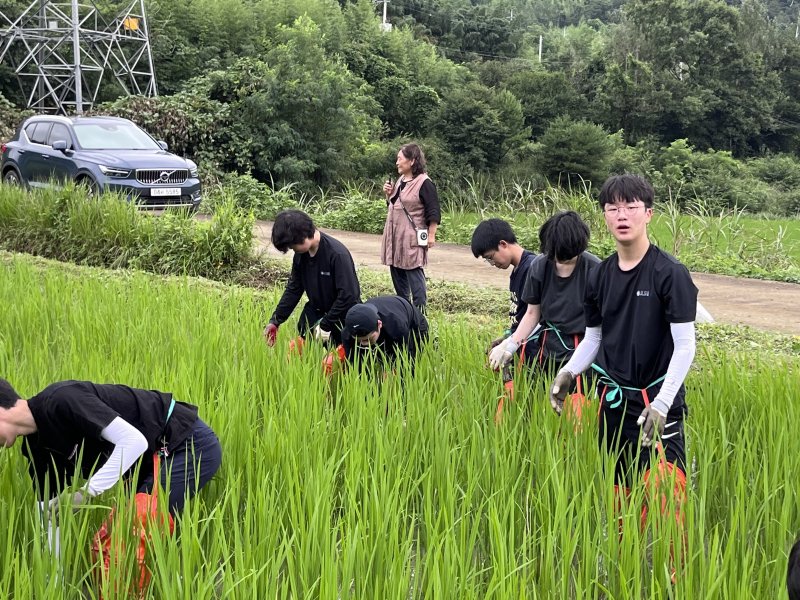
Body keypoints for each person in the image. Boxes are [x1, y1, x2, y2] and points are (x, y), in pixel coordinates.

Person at [550, 174, 697, 576]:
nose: (622, 215)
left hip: (656, 407)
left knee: (668, 495)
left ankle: (674, 576)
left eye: (631, 207)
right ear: (604, 215)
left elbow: (686, 346)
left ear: (648, 213)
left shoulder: (670, 273)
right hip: (614, 405)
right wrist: (568, 371)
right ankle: (623, 569)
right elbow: (595, 337)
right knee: (620, 495)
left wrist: (665, 404)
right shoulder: (600, 275)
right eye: (613, 207)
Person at [0, 378, 222, 517]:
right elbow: (48, 514)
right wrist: (52, 579)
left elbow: (134, 442)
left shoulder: (62, 399)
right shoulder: (36, 448)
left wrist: (86, 493)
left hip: (185, 443)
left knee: (133, 530)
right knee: (127, 534)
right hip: (145, 466)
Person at [488, 212, 600, 391]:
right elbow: (532, 313)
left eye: (566, 257)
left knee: (578, 406)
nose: (559, 262)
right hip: (549, 346)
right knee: (545, 400)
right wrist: (511, 345)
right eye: (555, 256)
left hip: (582, 349)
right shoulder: (540, 265)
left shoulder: (595, 270)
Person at [264, 210, 361, 348]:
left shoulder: (337, 254)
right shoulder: (300, 255)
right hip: (316, 313)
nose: (292, 249)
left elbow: (349, 295)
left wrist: (326, 323)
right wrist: (276, 320)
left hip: (342, 317)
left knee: (335, 363)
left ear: (304, 236)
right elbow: (294, 288)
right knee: (302, 354)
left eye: (292, 245)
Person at [381, 143, 441, 313]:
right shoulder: (401, 180)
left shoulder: (424, 182)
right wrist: (389, 193)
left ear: (412, 160)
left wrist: (431, 235)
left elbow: (433, 210)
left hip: (411, 238)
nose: (397, 163)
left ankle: (419, 316)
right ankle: (405, 313)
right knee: (397, 274)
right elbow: (394, 206)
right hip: (395, 236)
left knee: (414, 274)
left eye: (400, 159)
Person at [470, 218, 537, 361]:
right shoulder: (517, 270)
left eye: (491, 257)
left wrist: (509, 343)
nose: (492, 263)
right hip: (521, 346)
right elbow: (519, 316)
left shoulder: (531, 268)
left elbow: (535, 317)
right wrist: (505, 339)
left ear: (503, 244)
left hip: (535, 349)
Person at [341, 296, 429, 369]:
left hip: (413, 323)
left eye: (368, 339)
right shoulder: (347, 334)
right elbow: (354, 364)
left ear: (379, 324)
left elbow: (407, 359)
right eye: (359, 341)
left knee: (414, 362)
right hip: (383, 320)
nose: (364, 344)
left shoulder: (397, 326)